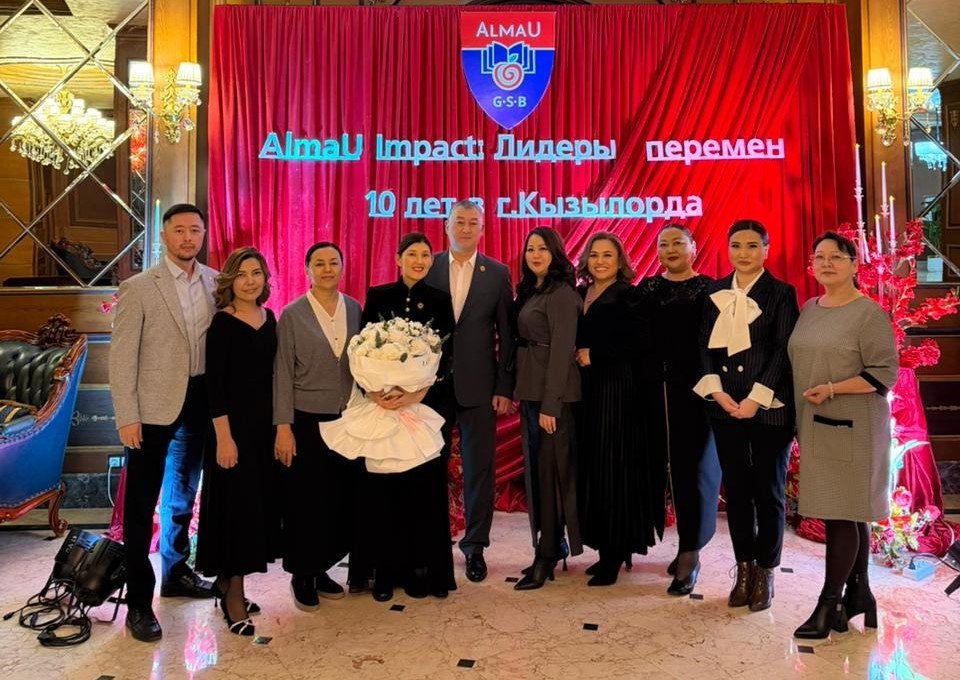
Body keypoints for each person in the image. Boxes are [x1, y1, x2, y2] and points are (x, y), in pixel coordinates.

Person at [108, 203, 217, 642]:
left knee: (184, 494)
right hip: (151, 408)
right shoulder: (138, 287)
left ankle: (176, 573)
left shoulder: (215, 282)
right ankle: (139, 602)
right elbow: (121, 358)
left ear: (203, 235)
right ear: (164, 235)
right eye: (179, 230)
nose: (188, 238)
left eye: (195, 230)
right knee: (141, 505)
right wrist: (127, 415)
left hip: (199, 400)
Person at [788, 231, 897, 639]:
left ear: (854, 264)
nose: (826, 263)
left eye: (836, 256)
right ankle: (860, 594)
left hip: (854, 424)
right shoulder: (810, 308)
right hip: (816, 422)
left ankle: (829, 603)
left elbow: (884, 373)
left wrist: (833, 388)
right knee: (849, 511)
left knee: (839, 512)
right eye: (819, 257)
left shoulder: (868, 313)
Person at [693, 219, 799, 612]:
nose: (743, 253)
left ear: (766, 250)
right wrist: (717, 393)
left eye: (753, 245)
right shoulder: (713, 292)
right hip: (724, 407)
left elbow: (783, 349)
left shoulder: (781, 293)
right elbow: (703, 348)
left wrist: (756, 398)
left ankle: (766, 571)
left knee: (768, 492)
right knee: (736, 491)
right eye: (736, 245)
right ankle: (744, 569)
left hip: (769, 407)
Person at [359, 232, 457, 602]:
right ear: (398, 258)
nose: (419, 260)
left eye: (425, 255)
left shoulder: (440, 299)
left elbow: (446, 356)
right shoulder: (379, 295)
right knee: (386, 491)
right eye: (412, 254)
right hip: (384, 407)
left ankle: (423, 572)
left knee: (424, 490)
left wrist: (415, 394)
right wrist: (377, 392)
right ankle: (385, 573)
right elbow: (361, 348)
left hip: (426, 407)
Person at [424, 199, 515, 584]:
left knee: (480, 470)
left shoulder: (496, 273)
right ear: (446, 226)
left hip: (480, 387)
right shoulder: (427, 267)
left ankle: (475, 546)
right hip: (431, 388)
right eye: (458, 221)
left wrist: (504, 386)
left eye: (472, 222)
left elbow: (507, 335)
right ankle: (430, 543)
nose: (464, 228)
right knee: (429, 467)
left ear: (482, 229)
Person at [273, 242, 362, 610]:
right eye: (319, 263)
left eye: (333, 262)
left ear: (342, 266)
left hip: (347, 418)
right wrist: (283, 426)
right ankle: (302, 573)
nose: (327, 269)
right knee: (305, 501)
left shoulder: (354, 308)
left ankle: (322, 567)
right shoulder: (292, 314)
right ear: (307, 270)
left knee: (336, 498)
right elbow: (281, 372)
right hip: (306, 420)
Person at [196, 247, 278, 636]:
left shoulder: (270, 318)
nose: (250, 281)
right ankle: (234, 597)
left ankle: (226, 583)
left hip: (264, 432)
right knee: (235, 513)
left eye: (256, 273)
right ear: (230, 280)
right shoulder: (222, 324)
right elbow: (214, 387)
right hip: (231, 433)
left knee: (254, 510)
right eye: (242, 274)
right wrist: (224, 439)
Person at [636, 224, 721, 596]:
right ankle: (671, 541)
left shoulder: (710, 290)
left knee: (694, 471)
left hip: (696, 393)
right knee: (659, 468)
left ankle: (690, 551)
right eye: (663, 244)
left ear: (693, 247)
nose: (670, 249)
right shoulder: (647, 289)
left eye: (677, 242)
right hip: (653, 392)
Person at [573, 232, 651, 586]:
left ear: (620, 261)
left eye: (608, 255)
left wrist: (597, 355)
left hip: (617, 391)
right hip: (587, 391)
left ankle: (615, 553)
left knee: (613, 468)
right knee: (594, 467)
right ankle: (605, 546)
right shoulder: (580, 293)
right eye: (594, 255)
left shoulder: (629, 295)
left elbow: (639, 344)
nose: (600, 261)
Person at [512, 227, 582, 590]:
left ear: (556, 253)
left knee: (553, 476)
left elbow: (562, 353)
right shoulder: (533, 290)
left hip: (552, 398)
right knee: (539, 476)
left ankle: (549, 553)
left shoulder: (562, 294)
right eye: (530, 249)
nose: (535, 254)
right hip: (531, 392)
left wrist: (551, 406)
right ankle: (548, 545)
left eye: (542, 249)